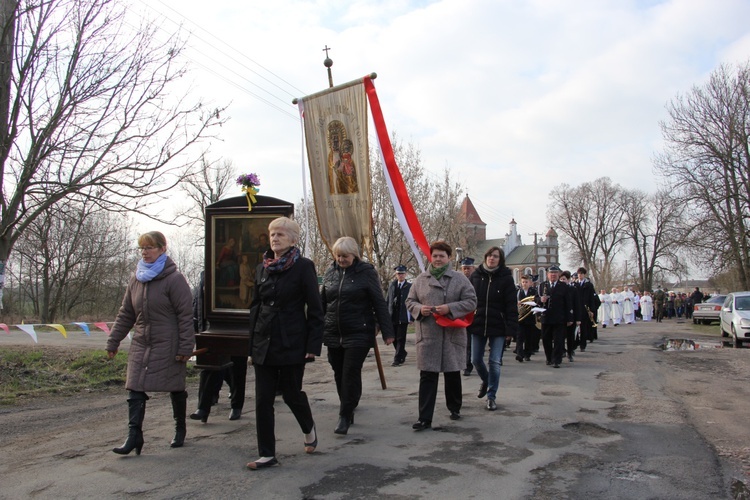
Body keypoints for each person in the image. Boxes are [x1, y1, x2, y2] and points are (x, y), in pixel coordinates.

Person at [246, 217, 324, 470]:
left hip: (292, 340)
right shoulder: (262, 268)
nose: (275, 238)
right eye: (272, 234)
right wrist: (251, 346)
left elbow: (314, 308)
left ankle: (308, 427)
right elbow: (255, 307)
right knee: (262, 399)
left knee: (291, 394)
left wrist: (313, 345)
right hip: (264, 342)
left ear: (293, 239)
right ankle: (267, 453)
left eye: (280, 234)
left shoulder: (303, 267)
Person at [106, 231, 194, 455]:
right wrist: (113, 341)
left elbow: (185, 315)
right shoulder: (136, 278)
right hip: (142, 341)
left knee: (174, 386)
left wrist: (185, 347)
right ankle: (134, 436)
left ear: (162, 249)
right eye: (142, 248)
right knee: (135, 386)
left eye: (150, 247)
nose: (145, 252)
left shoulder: (174, 279)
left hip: (169, 343)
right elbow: (126, 313)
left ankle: (180, 428)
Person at [321, 237, 395, 435]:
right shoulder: (330, 272)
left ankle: (344, 415)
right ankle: (349, 403)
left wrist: (388, 332)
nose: (340, 260)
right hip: (334, 332)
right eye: (337, 256)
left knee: (350, 372)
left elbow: (379, 302)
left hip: (359, 331)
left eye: (345, 256)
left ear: (354, 255)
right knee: (338, 371)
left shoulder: (367, 273)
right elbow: (323, 302)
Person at [406, 241, 477, 430]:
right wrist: (421, 309)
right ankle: (424, 418)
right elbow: (410, 301)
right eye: (435, 256)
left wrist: (450, 308)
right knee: (427, 376)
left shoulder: (460, 279)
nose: (437, 259)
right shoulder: (421, 279)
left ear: (449, 258)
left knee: (452, 373)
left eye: (441, 256)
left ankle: (454, 407)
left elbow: (471, 301)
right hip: (428, 335)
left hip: (452, 334)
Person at [467, 247, 518, 411]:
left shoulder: (506, 278)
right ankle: (487, 380)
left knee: (495, 362)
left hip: (499, 326)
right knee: (475, 359)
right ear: (485, 257)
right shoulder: (476, 276)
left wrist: (511, 329)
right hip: (478, 323)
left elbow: (511, 305)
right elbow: (468, 300)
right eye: (489, 255)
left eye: (495, 256)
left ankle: (491, 396)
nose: (492, 258)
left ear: (500, 259)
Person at [536, 265, 573, 368]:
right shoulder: (542, 285)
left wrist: (570, 318)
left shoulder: (564, 286)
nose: (553, 275)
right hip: (546, 317)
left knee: (558, 340)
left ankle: (557, 360)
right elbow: (535, 299)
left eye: (555, 273)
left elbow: (568, 303)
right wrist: (540, 300)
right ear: (547, 275)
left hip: (559, 317)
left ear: (558, 274)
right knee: (546, 339)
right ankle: (549, 357)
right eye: (551, 273)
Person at [386, 265, 412, 367]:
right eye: (398, 274)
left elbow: (413, 301)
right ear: (396, 275)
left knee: (401, 338)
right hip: (393, 315)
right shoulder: (392, 285)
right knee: (394, 338)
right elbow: (388, 300)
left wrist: (412, 317)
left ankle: (397, 359)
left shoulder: (409, 286)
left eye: (402, 273)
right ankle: (402, 353)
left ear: (405, 274)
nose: (400, 275)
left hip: (404, 315)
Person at [460, 257, 476, 376]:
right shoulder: (458, 280)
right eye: (464, 268)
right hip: (462, 315)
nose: (466, 270)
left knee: (472, 342)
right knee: (465, 342)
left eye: (468, 268)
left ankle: (471, 362)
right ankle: (466, 364)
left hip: (475, 315)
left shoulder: (477, 280)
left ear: (473, 268)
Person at [516, 274, 538, 361]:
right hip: (521, 318)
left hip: (530, 317)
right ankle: (519, 354)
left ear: (530, 283)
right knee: (519, 336)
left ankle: (527, 353)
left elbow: (537, 301)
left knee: (529, 337)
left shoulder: (534, 292)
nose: (524, 284)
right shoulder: (518, 292)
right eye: (523, 282)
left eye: (526, 282)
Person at [560, 270, 580, 362]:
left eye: (564, 279)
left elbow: (577, 304)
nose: (562, 281)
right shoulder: (558, 289)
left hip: (571, 315)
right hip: (561, 316)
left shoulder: (573, 289)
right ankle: (562, 350)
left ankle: (570, 351)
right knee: (560, 335)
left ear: (568, 280)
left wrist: (578, 319)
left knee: (570, 336)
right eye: (561, 279)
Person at [576, 267, 597, 351]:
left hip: (585, 308)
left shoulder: (589, 285)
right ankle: (576, 342)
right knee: (575, 327)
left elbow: (592, 298)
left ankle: (583, 345)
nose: (579, 275)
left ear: (584, 275)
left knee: (583, 327)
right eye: (578, 274)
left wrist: (592, 310)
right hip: (577, 308)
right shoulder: (575, 284)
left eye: (581, 274)